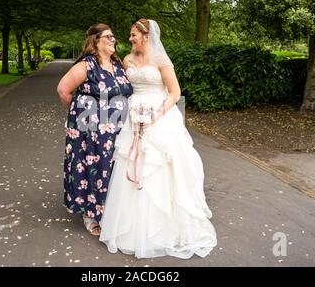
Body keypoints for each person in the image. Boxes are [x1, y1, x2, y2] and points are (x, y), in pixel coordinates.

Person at [99, 19, 217, 259]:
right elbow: (124, 87)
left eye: (133, 35)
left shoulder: (162, 60)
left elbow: (174, 93)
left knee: (159, 165)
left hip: (160, 115)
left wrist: (155, 115)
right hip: (134, 116)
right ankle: (129, 227)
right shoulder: (127, 60)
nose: (130, 39)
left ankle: (163, 227)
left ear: (146, 36)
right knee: (131, 164)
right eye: (130, 35)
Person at [57, 23, 133, 236]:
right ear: (95, 41)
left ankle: (111, 212)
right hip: (91, 130)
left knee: (112, 170)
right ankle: (91, 216)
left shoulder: (118, 65)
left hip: (118, 128)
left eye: (113, 37)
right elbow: (63, 90)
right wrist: (85, 115)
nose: (113, 40)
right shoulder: (87, 65)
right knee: (94, 168)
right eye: (108, 37)